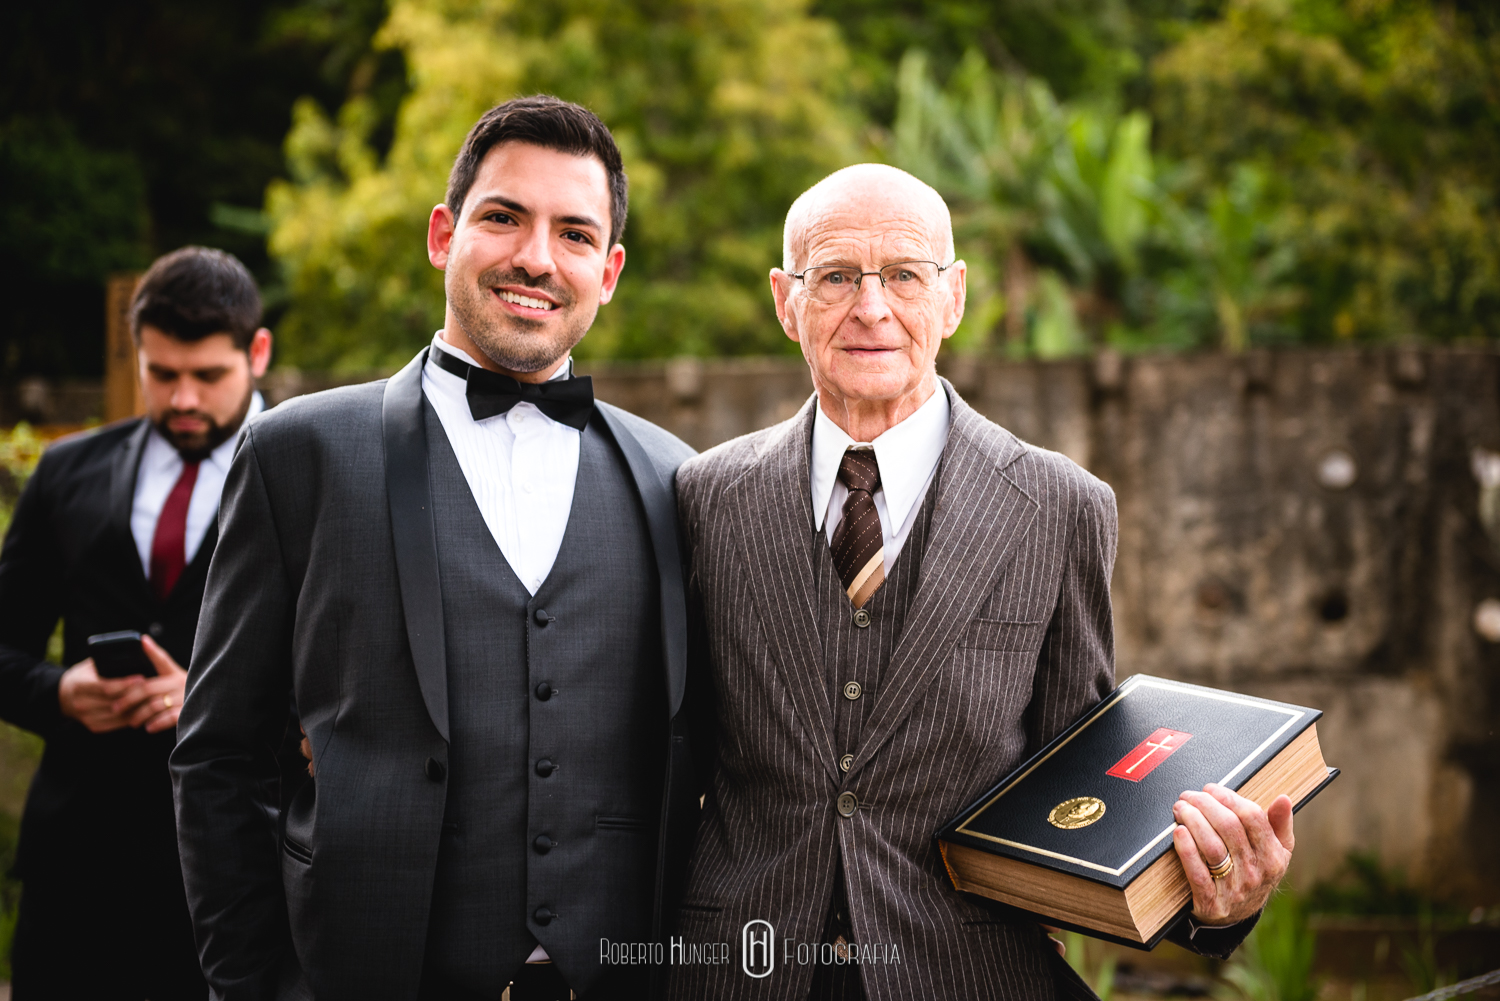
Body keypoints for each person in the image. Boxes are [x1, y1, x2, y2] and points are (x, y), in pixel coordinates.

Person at [666, 164, 1296, 1000]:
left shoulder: (1061, 507)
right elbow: (671, 763)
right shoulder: (705, 497)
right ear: (787, 300)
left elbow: (1085, 788)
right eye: (837, 276)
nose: (872, 307)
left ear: (953, 294)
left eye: (903, 275)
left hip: (974, 974)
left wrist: (1215, 904)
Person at [171, 95, 700, 1001]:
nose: (537, 257)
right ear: (442, 234)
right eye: (504, 217)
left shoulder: (678, 476)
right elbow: (218, 757)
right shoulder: (299, 454)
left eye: (574, 233)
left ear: (608, 271)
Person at [0, 246, 272, 999]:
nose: (183, 397)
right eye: (161, 374)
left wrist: (215, 703)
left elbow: (351, 679)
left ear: (257, 352)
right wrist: (58, 691)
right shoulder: (64, 472)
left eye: (208, 376)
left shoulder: (314, 475)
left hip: (237, 878)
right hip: (74, 876)